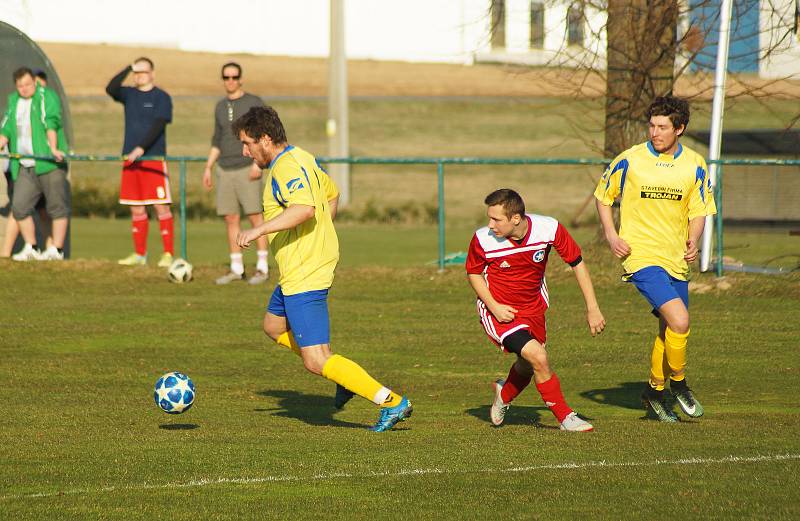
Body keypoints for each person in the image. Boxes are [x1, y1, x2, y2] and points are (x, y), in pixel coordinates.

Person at [234, 106, 413, 432]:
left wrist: (258, 230)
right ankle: (343, 375)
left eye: (247, 143)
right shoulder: (301, 156)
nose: (244, 151)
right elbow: (331, 194)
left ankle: (391, 400)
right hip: (302, 265)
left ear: (264, 138)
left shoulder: (286, 168)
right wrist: (319, 233)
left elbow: (303, 208)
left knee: (315, 360)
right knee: (273, 326)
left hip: (305, 269)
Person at [594, 95, 716, 423]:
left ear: (680, 128)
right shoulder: (630, 160)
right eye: (651, 125)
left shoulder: (694, 163)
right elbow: (603, 196)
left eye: (662, 127)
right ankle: (680, 385)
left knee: (668, 328)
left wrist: (694, 239)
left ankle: (654, 391)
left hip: (675, 257)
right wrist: (611, 234)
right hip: (641, 256)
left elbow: (700, 208)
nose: (654, 132)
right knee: (680, 320)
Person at [466, 188, 605, 431]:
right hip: (499, 311)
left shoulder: (548, 229)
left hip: (533, 308)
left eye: (496, 219)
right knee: (539, 357)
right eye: (489, 217)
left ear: (516, 218)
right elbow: (474, 273)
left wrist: (592, 308)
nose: (490, 225)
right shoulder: (483, 239)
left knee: (527, 364)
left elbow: (577, 263)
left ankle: (504, 393)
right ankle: (565, 417)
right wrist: (495, 307)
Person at [202, 62, 269, 284]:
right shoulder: (220, 106)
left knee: (254, 216)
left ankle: (262, 267)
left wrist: (257, 164)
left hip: (246, 167)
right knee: (231, 218)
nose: (230, 80)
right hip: (225, 168)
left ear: (241, 78)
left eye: (234, 76)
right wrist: (209, 167)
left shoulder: (253, 102)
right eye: (226, 77)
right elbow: (216, 140)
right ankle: (236, 268)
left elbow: (265, 134)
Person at [106, 57, 175, 267]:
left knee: (160, 207)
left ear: (152, 74)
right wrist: (128, 67)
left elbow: (159, 124)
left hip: (152, 159)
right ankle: (139, 254)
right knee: (136, 209)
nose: (139, 76)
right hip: (130, 160)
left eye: (143, 72)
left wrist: (141, 148)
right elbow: (111, 88)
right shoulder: (129, 94)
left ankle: (168, 254)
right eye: (136, 72)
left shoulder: (162, 97)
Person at [0, 67, 69, 261]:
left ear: (34, 82)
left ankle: (57, 249)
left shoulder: (46, 97)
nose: (24, 89)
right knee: (20, 206)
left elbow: (51, 123)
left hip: (48, 163)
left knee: (57, 207)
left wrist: (53, 148)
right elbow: (6, 128)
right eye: (20, 85)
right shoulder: (14, 101)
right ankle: (32, 247)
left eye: (27, 84)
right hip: (25, 164)